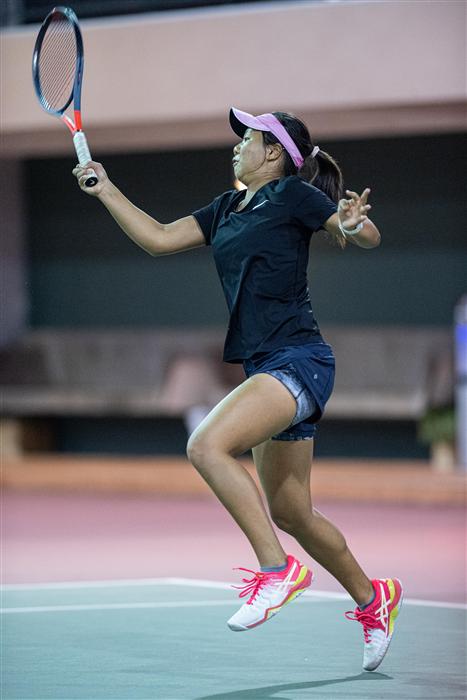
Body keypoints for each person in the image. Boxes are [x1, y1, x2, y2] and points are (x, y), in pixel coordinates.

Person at [73, 106, 402, 672]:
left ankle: (277, 570)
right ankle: (375, 601)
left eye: (246, 138)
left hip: (299, 360)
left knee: (206, 445)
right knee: (292, 512)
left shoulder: (293, 196)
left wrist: (353, 225)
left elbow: (361, 232)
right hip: (265, 365)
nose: (236, 146)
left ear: (273, 153)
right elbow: (158, 238)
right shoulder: (226, 208)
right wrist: (105, 189)